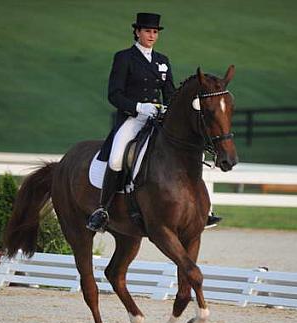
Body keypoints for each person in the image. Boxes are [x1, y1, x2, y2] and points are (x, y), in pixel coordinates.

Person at [86, 12, 222, 232]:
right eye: (147, 31)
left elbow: (170, 93)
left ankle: (203, 210)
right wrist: (139, 107)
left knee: (188, 153)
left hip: (158, 119)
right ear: (137, 32)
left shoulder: (162, 61)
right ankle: (103, 210)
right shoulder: (124, 58)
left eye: (155, 32)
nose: (151, 35)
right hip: (133, 118)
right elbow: (114, 94)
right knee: (117, 158)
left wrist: (169, 108)